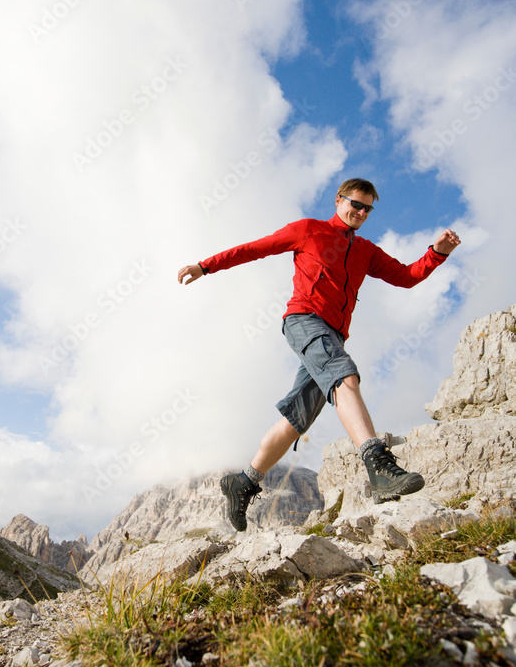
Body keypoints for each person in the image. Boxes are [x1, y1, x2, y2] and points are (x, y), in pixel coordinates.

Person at [177, 178, 461, 531]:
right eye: (355, 204)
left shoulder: (366, 251)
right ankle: (378, 466)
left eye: (367, 209)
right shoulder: (309, 230)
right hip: (304, 321)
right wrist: (205, 266)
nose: (360, 212)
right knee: (346, 376)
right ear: (338, 200)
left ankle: (245, 481)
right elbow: (256, 248)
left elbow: (405, 276)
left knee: (298, 420)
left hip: (333, 336)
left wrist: (437, 253)